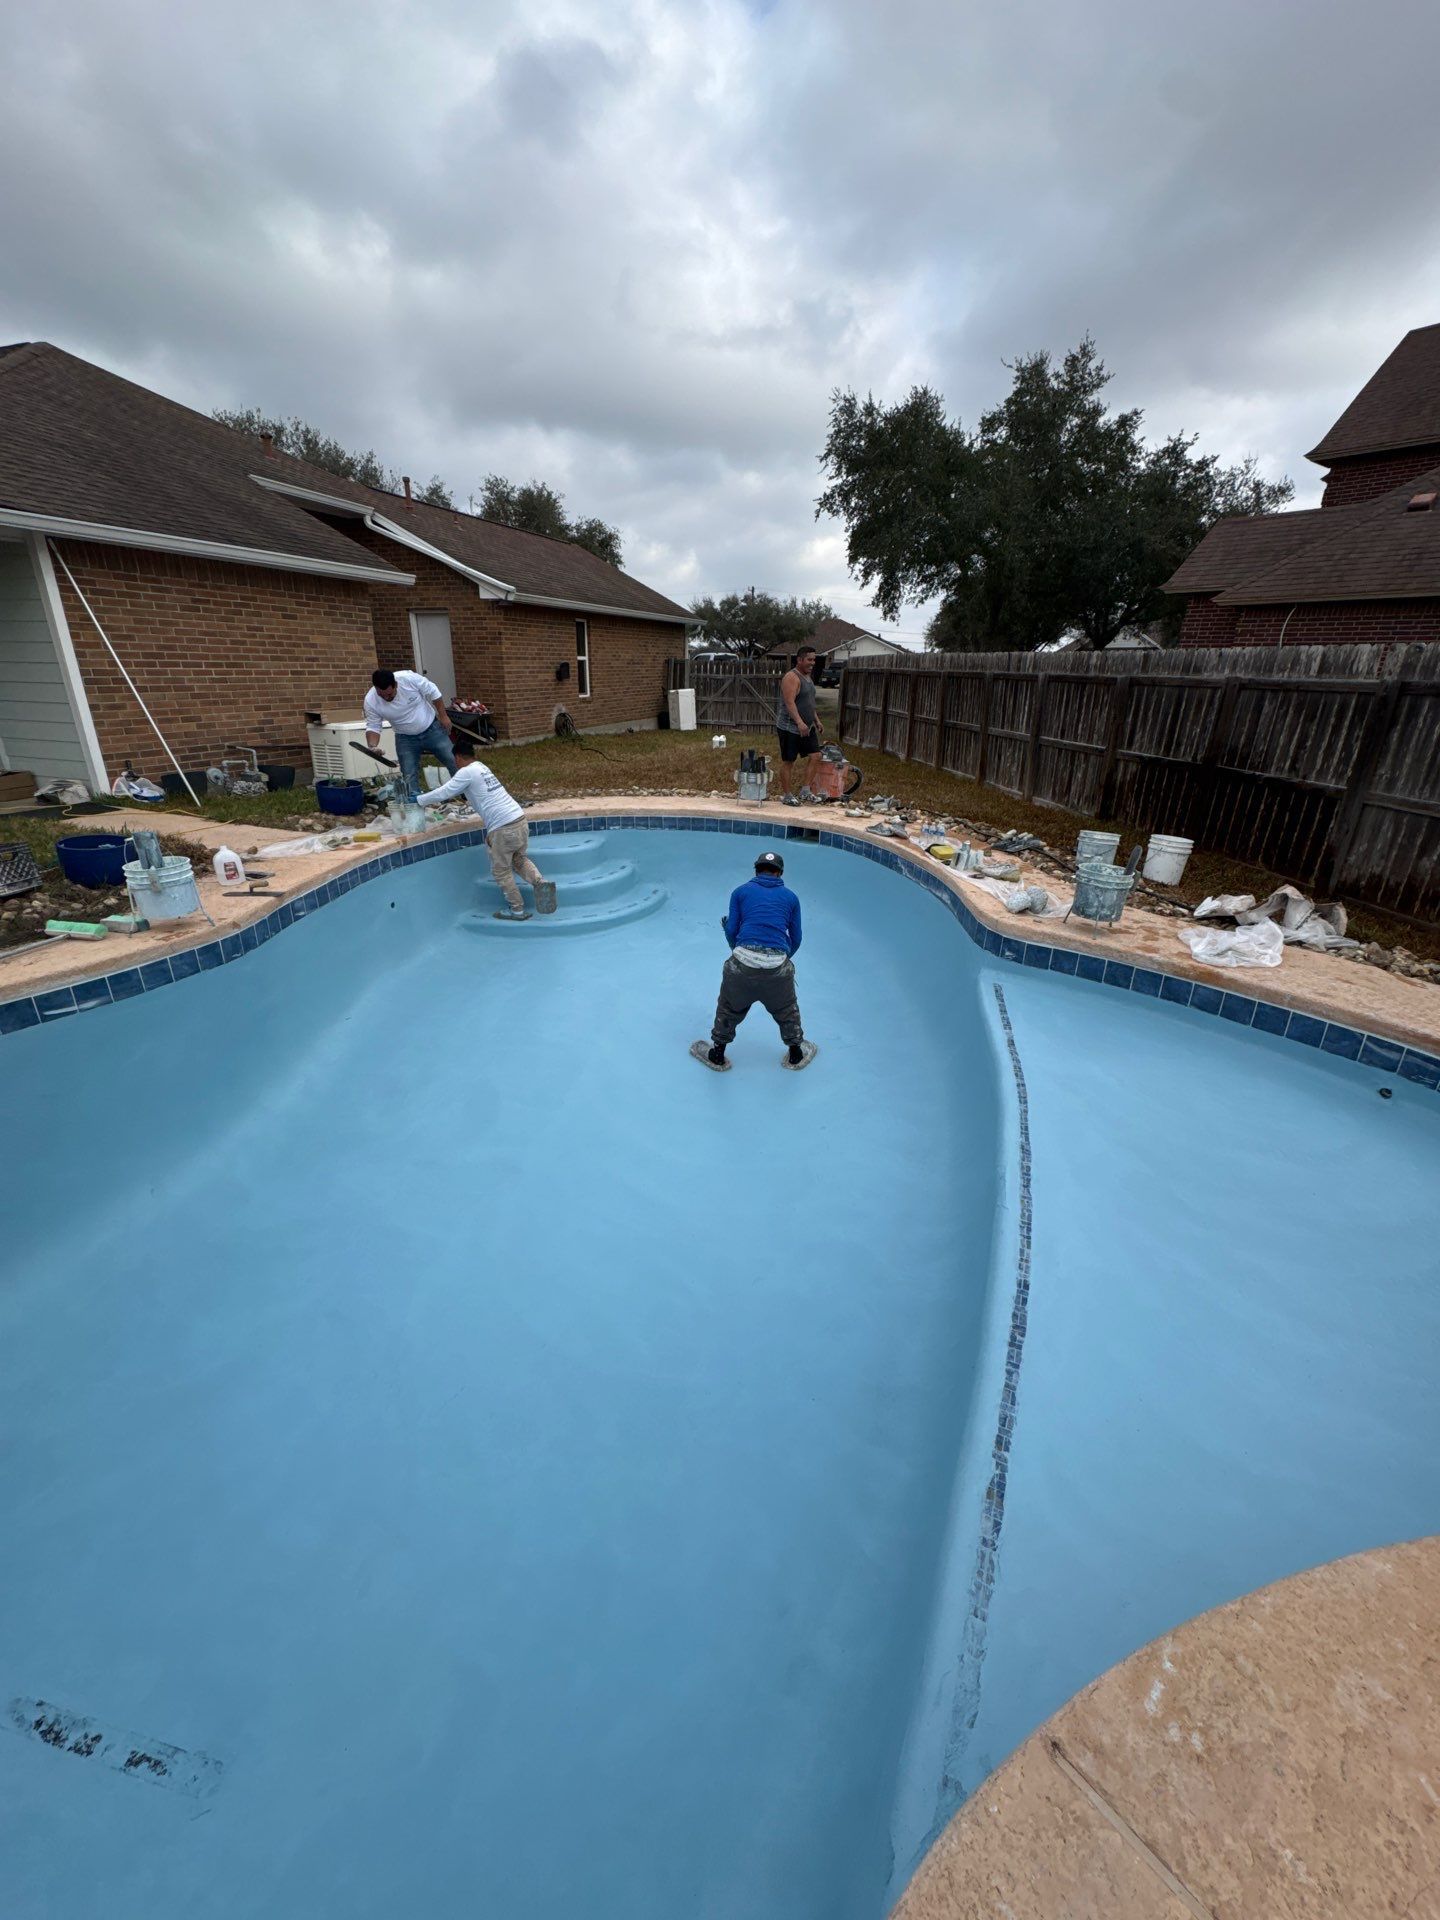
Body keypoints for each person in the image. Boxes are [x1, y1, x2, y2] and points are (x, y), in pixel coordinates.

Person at [691, 851, 817, 1071]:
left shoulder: (740, 892)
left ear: (756, 870)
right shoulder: (791, 898)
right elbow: (796, 938)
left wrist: (738, 950)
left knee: (728, 1008)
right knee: (787, 1009)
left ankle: (717, 1054)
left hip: (741, 964)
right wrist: (781, 959)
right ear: (780, 873)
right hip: (777, 966)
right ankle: (796, 1053)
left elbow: (731, 929)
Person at [414, 737, 556, 920]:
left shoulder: (466, 772)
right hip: (519, 819)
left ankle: (517, 910)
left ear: (457, 757)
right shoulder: (482, 768)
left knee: (501, 870)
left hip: (503, 827)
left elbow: (445, 792)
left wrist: (419, 800)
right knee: (519, 859)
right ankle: (540, 882)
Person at [365, 668, 457, 798]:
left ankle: (467, 795)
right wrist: (373, 746)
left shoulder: (409, 679)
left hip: (431, 728)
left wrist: (443, 716)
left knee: (453, 759)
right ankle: (414, 803)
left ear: (396, 684)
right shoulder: (370, 700)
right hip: (405, 738)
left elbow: (434, 692)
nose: (386, 698)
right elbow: (373, 726)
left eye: (390, 695)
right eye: (382, 695)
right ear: (376, 688)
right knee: (408, 773)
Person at [774, 645, 823, 805]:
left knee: (816, 756)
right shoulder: (791, 677)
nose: (812, 663)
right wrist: (800, 722)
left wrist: (816, 720)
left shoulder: (808, 677)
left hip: (806, 727)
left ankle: (805, 791)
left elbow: (809, 702)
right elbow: (789, 703)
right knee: (789, 761)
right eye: (809, 659)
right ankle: (787, 795)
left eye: (814, 659)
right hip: (790, 727)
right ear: (800, 660)